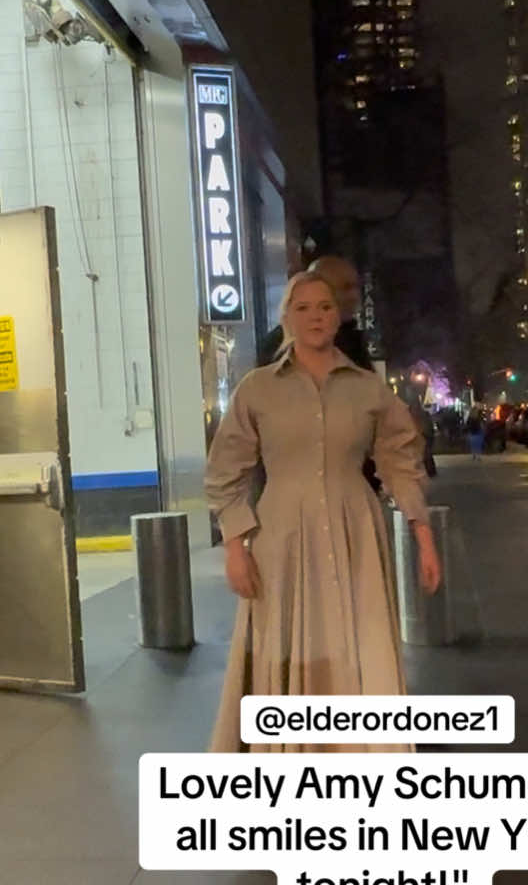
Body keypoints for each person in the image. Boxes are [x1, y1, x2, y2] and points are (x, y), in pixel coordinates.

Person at [205, 270, 441, 753]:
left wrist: (423, 534)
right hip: (281, 539)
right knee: (290, 645)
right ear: (287, 318)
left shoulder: (367, 388)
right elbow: (225, 470)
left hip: (356, 530)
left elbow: (400, 458)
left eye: (326, 307)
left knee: (361, 637)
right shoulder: (258, 388)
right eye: (304, 307)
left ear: (339, 316)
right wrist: (235, 547)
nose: (316, 316)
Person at [258, 255, 379, 490]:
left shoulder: (351, 344)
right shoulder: (276, 353)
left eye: (355, 287)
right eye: (344, 287)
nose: (354, 295)